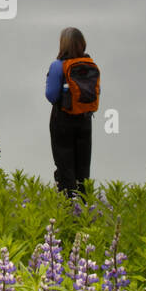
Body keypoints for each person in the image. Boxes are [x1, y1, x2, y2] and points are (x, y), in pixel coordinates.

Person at [44, 26, 100, 198]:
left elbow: (51, 96)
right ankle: (83, 207)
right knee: (83, 167)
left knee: (64, 165)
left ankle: (68, 207)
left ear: (63, 45)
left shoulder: (57, 66)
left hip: (63, 120)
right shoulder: (89, 65)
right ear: (82, 43)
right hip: (85, 120)